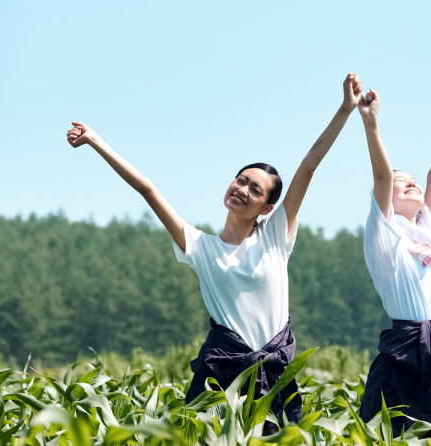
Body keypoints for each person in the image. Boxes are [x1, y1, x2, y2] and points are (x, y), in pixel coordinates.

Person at [65, 72, 364, 433]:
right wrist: (97, 141)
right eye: (240, 180)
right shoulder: (200, 246)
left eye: (255, 190)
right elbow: (147, 189)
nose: (242, 189)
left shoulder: (275, 235)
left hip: (274, 372)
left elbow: (310, 164)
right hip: (221, 374)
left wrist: (345, 110)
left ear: (267, 207)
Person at [355, 89, 431, 435]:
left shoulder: (429, 233)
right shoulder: (385, 235)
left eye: (412, 181)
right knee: (400, 430)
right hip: (409, 348)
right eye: (401, 182)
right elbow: (380, 176)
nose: (411, 184)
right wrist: (371, 122)